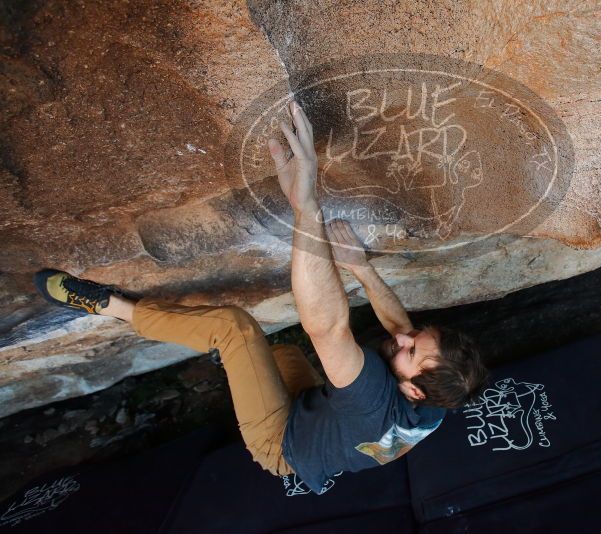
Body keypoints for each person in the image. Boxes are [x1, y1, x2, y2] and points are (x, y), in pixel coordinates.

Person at [33, 100, 489, 494]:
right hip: (318, 412)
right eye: (420, 337)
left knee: (232, 329)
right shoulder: (439, 399)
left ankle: (108, 306)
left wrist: (305, 205)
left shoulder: (372, 398)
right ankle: (237, 365)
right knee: (286, 352)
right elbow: (398, 328)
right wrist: (359, 264)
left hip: (281, 443)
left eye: (412, 353)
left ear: (410, 389)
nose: (406, 338)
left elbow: (327, 327)